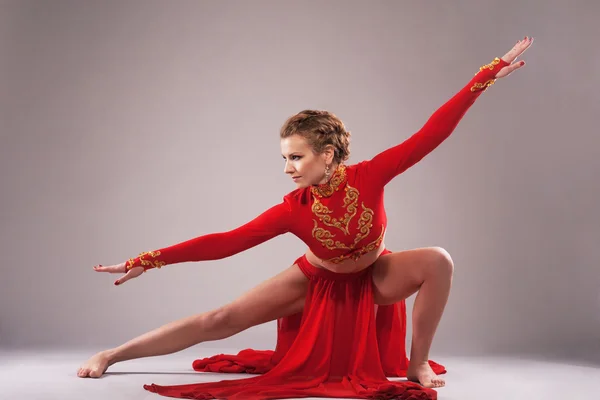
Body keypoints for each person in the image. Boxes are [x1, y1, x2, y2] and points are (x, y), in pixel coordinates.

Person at [77, 37, 534, 400]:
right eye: (285, 158)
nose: (288, 168)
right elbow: (225, 242)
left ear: (327, 154)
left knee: (438, 260)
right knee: (220, 318)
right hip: (318, 279)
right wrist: (150, 259)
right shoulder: (292, 210)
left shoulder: (370, 176)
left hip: (375, 275)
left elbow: (431, 132)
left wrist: (488, 76)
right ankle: (113, 354)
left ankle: (419, 362)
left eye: (295, 157)